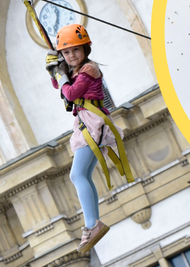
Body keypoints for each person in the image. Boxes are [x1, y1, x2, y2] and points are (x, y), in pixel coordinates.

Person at [46, 23, 129, 252]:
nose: (71, 55)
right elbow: (59, 85)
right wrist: (55, 70)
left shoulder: (89, 69)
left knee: (77, 174)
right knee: (82, 175)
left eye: (75, 50)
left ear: (85, 50)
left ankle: (92, 224)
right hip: (88, 121)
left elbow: (70, 93)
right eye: (66, 52)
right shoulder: (75, 70)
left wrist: (61, 75)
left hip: (93, 122)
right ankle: (93, 223)